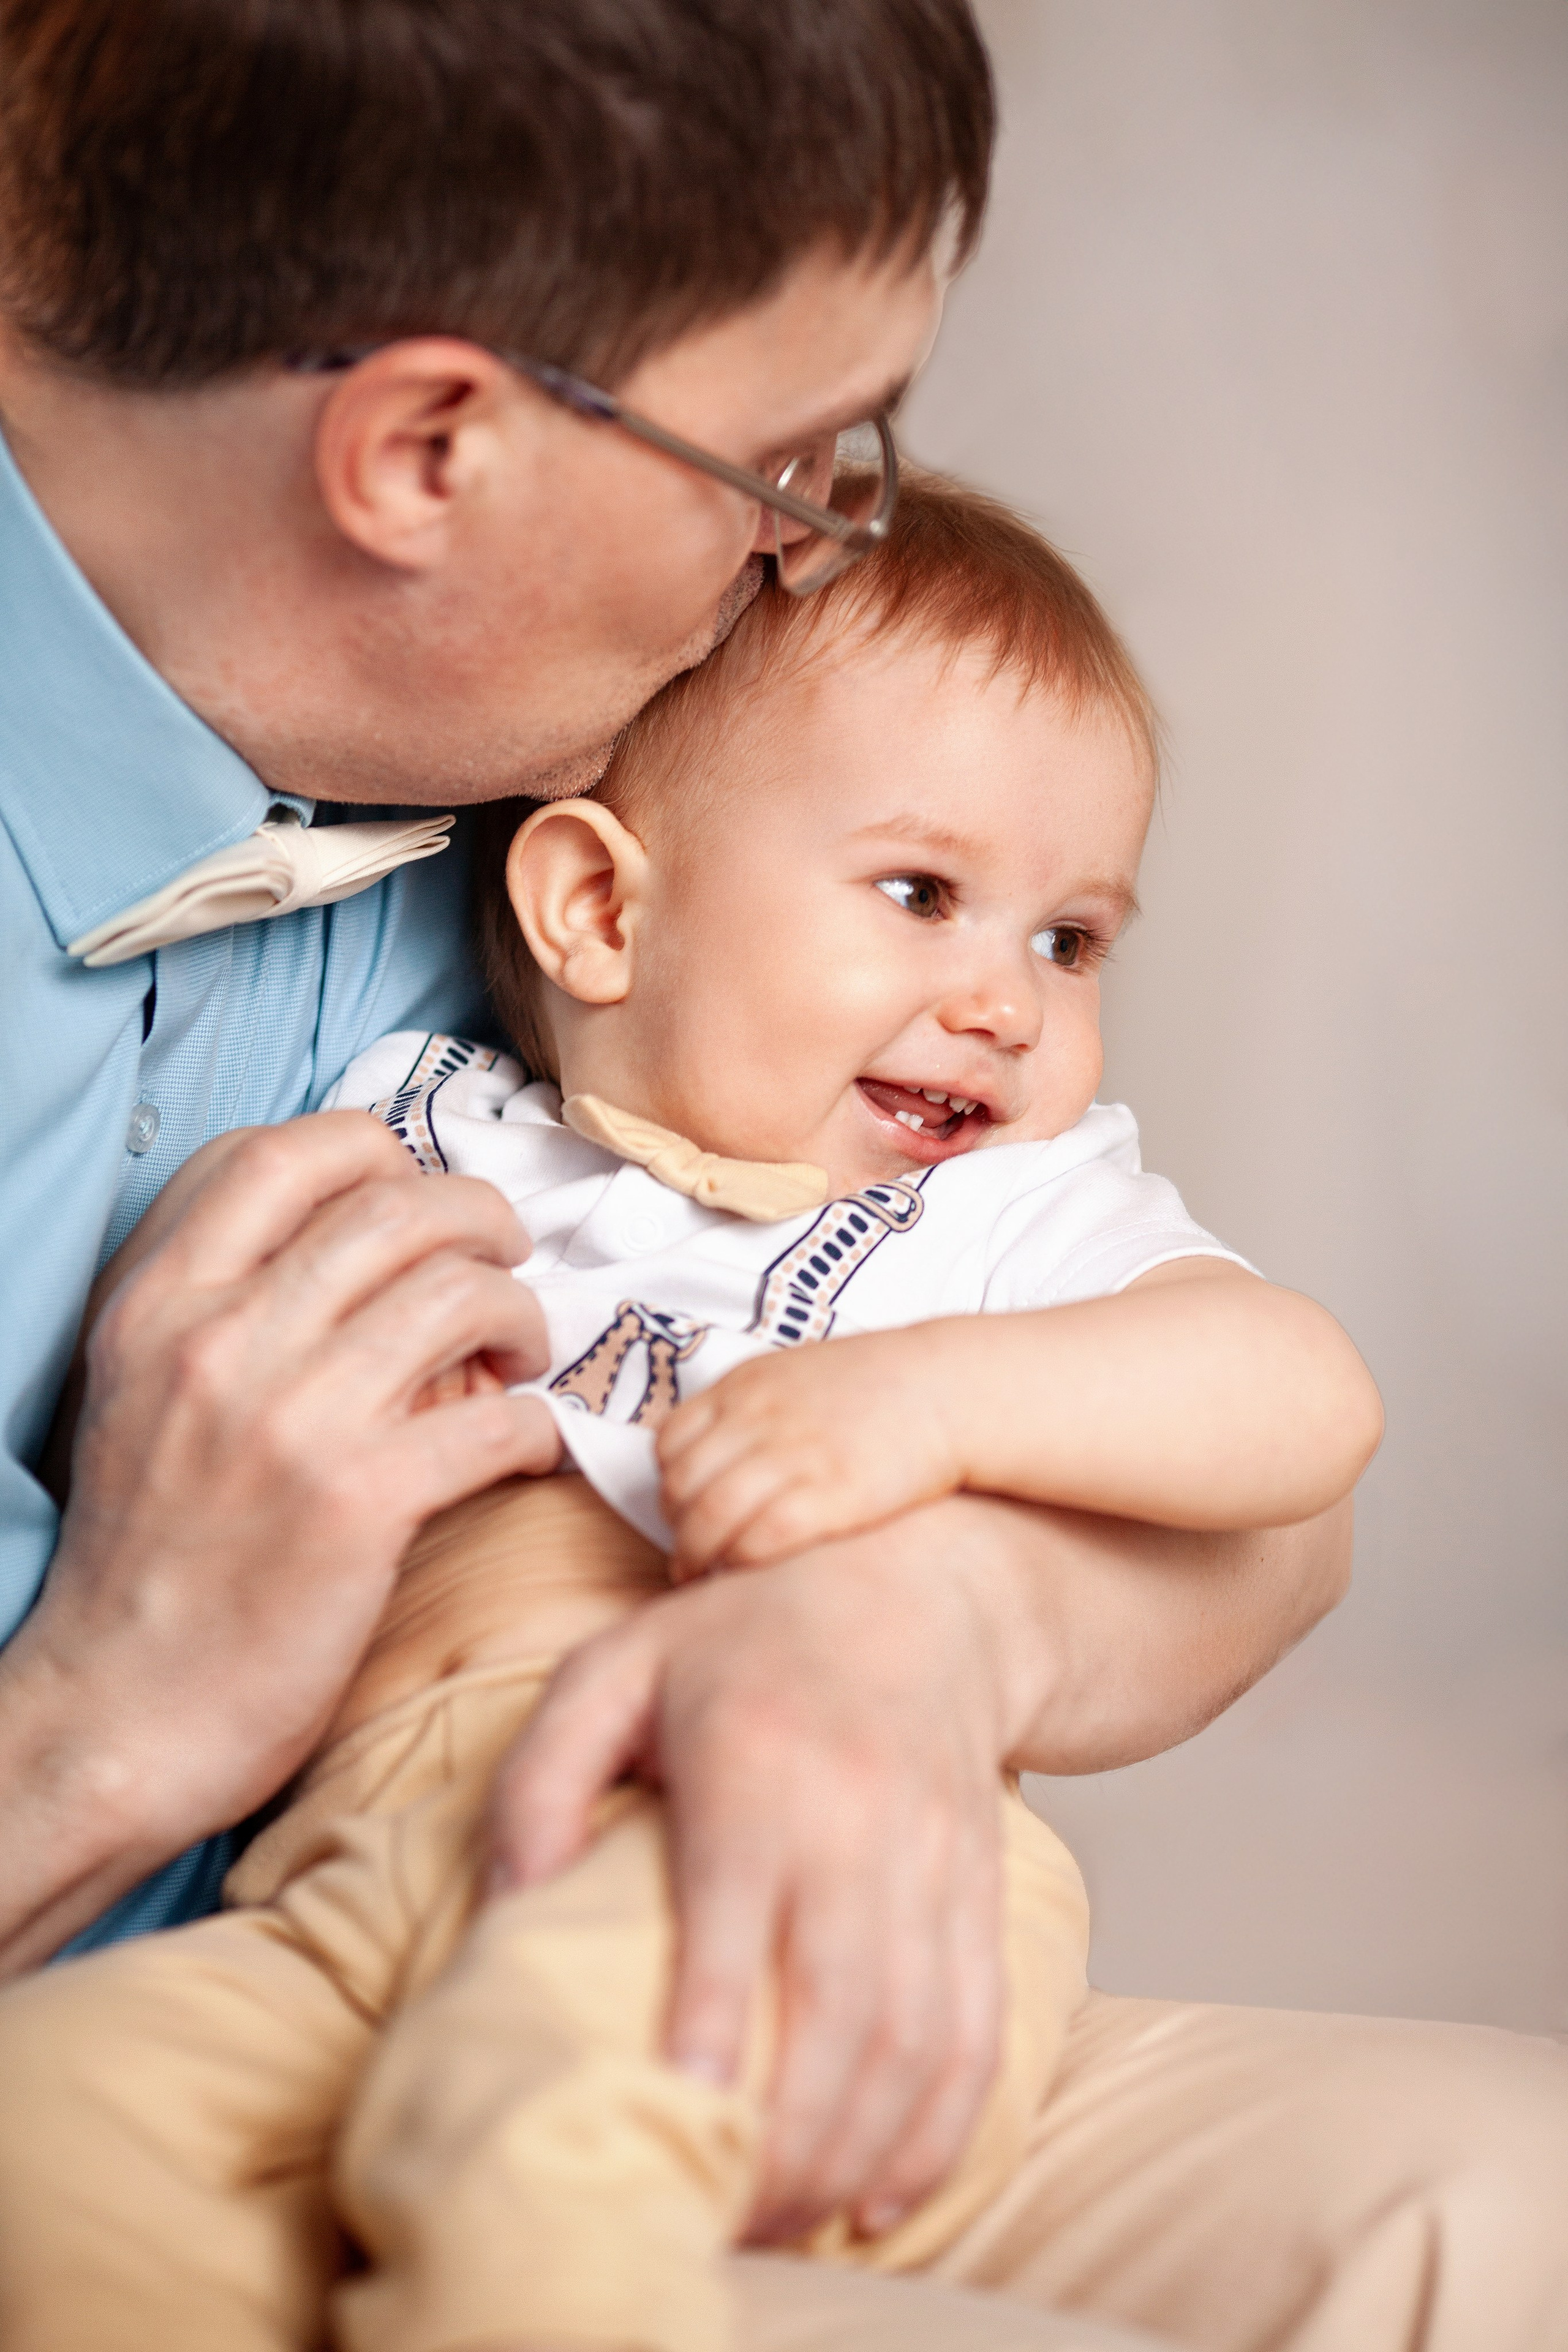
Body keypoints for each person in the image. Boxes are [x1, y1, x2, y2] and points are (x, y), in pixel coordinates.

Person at [0, 478, 1386, 2352]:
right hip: (344, 1881)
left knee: (546, 2146)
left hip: (761, 1848)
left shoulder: (978, 1216)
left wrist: (926, 1405)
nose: (1002, 1003)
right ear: (594, 909)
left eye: (1071, 942)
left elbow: (1302, 1399)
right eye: (923, 896)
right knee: (52, 2139)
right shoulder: (417, 1117)